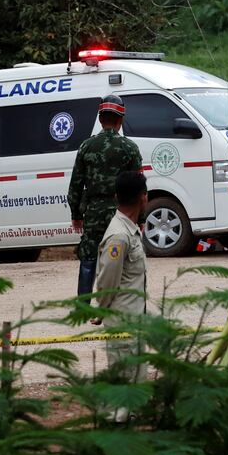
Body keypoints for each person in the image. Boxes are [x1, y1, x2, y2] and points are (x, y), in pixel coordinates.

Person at [68, 95, 142, 304]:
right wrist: (141, 217)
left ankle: (84, 305)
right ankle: (118, 302)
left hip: (93, 211)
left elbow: (75, 184)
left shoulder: (86, 146)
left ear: (101, 119)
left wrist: (76, 214)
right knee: (121, 257)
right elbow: (139, 186)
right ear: (121, 119)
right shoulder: (130, 148)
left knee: (89, 257)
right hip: (122, 213)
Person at [95, 170, 149, 421]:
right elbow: (108, 279)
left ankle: (129, 419)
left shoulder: (129, 230)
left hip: (135, 319)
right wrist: (101, 308)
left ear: (117, 196)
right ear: (144, 198)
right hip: (123, 320)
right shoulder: (119, 235)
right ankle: (115, 424)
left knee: (135, 378)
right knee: (123, 378)